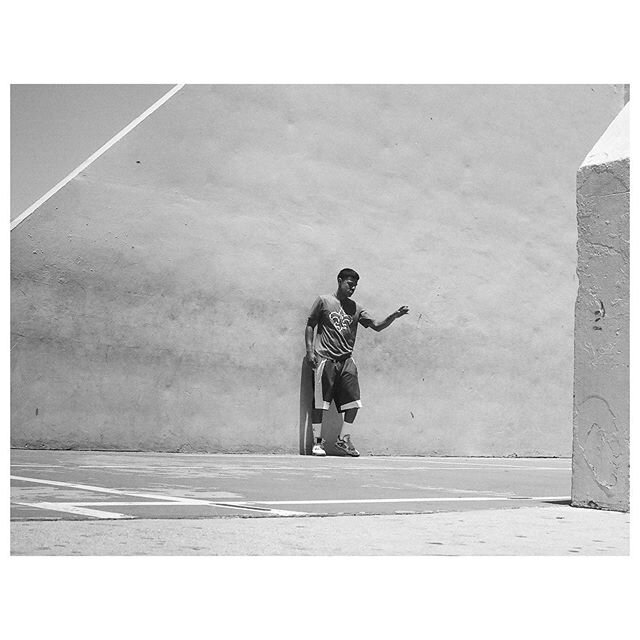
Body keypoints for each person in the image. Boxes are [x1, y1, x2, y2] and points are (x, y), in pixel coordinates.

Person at [305, 268, 409, 456]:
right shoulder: (324, 301)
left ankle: (343, 440)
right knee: (320, 403)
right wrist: (310, 351)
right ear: (339, 281)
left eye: (355, 286)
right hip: (325, 359)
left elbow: (376, 326)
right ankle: (317, 443)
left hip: (346, 362)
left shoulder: (357, 308)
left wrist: (394, 316)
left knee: (354, 403)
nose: (352, 288)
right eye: (349, 284)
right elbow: (311, 324)